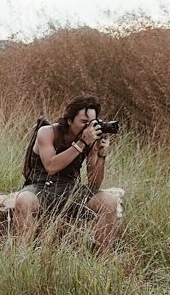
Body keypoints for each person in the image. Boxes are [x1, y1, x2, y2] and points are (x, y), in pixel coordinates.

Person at [13, 95, 121, 251]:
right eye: (83, 123)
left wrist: (101, 153)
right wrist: (81, 143)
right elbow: (51, 166)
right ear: (70, 120)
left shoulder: (90, 139)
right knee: (23, 200)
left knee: (109, 201)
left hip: (70, 189)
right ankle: (23, 255)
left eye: (92, 123)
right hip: (41, 187)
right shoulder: (47, 132)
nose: (88, 128)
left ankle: (99, 260)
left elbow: (94, 184)